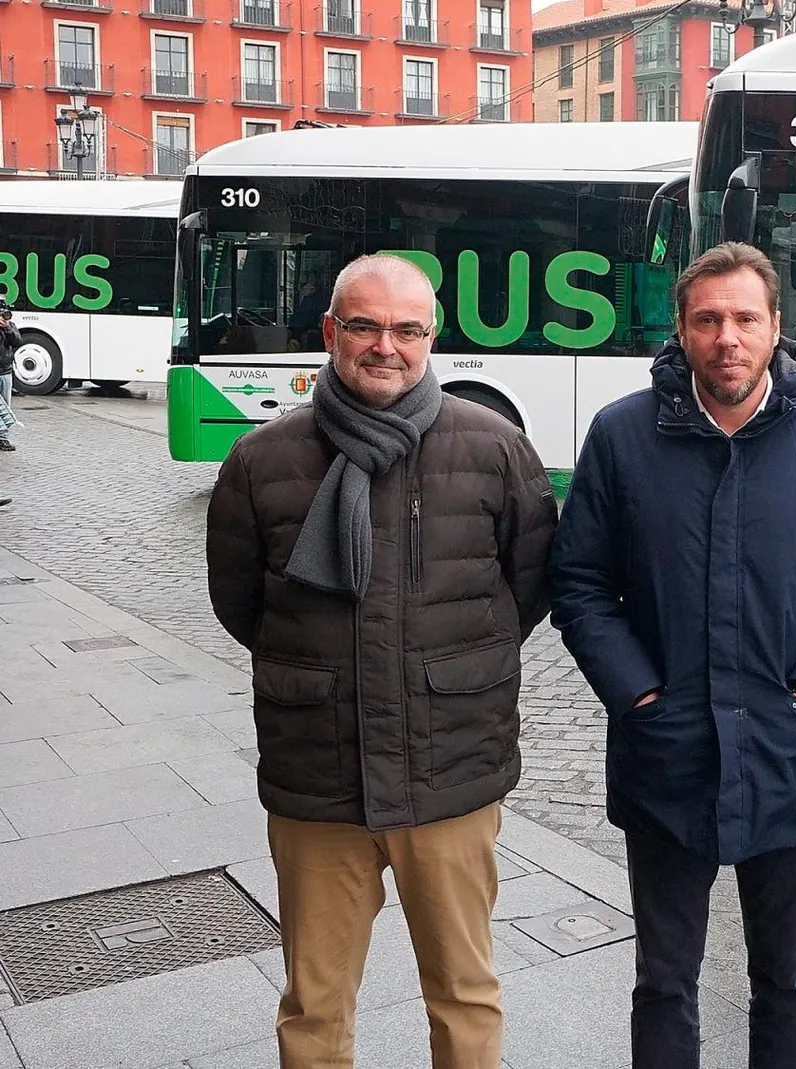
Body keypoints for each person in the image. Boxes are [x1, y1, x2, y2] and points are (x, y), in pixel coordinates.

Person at [548, 241, 796, 1069]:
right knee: (664, 980)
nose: (727, 338)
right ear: (681, 329)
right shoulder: (622, 436)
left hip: (789, 751)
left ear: (776, 327)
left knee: (788, 977)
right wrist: (638, 694)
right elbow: (581, 584)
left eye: (745, 318)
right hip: (667, 753)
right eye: (708, 320)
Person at [205, 253, 558, 1069]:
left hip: (451, 771)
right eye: (364, 325)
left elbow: (527, 588)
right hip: (317, 779)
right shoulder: (263, 459)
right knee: (314, 1005)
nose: (385, 345)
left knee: (465, 993)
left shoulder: (496, 449)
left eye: (406, 328)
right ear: (331, 332)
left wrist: (451, 670)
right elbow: (240, 604)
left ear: (432, 337)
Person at [1, 302, 22, 452]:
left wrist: (7, 328)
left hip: (5, 372)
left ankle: (3, 439)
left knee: (5, 408)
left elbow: (17, 341)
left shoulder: (10, 326)